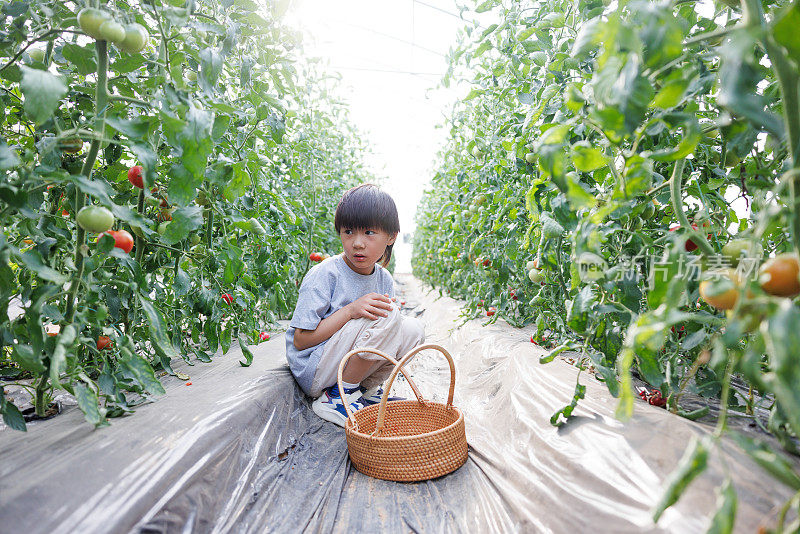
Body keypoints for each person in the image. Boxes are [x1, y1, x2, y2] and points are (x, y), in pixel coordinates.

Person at [285, 184, 426, 427]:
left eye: (369, 232)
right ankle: (338, 396)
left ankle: (361, 391)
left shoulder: (383, 279)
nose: (357, 243)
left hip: (341, 364)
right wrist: (350, 310)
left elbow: (386, 333)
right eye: (348, 232)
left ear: (391, 237)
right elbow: (300, 340)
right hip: (315, 368)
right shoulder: (326, 274)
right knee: (387, 312)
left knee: (413, 330)